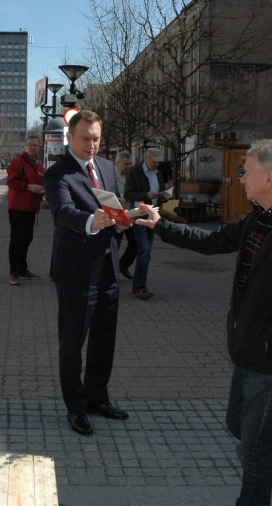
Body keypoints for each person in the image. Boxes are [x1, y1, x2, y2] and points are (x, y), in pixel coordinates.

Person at [135, 139, 272, 506]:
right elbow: (214, 241)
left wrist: (269, 334)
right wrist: (161, 225)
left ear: (269, 177)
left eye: (247, 171)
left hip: (271, 356)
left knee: (255, 447)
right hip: (250, 348)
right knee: (240, 424)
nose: (241, 178)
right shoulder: (262, 216)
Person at [44, 110, 131, 436]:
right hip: (76, 272)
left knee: (104, 340)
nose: (92, 145)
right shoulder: (58, 173)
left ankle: (98, 398)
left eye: (96, 139)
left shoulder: (106, 167)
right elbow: (63, 212)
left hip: (108, 268)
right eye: (85, 139)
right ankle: (76, 408)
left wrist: (123, 221)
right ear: (69, 138)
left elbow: (115, 205)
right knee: (72, 344)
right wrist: (92, 221)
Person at [124, 147, 166, 300]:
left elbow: (160, 189)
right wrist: (146, 195)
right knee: (144, 251)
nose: (156, 164)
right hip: (139, 215)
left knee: (146, 252)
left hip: (153, 215)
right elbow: (128, 194)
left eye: (158, 162)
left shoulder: (158, 173)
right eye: (154, 161)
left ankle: (138, 286)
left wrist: (163, 196)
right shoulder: (135, 172)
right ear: (146, 158)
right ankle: (140, 287)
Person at [6, 136, 45, 285]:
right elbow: (11, 182)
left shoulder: (39, 165)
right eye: (30, 145)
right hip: (18, 206)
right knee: (17, 240)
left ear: (39, 147)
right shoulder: (18, 162)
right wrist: (29, 187)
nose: (32, 148)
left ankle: (22, 269)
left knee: (26, 239)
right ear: (26, 147)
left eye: (35, 145)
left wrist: (43, 190)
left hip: (31, 207)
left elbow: (41, 182)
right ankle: (13, 273)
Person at [114, 151, 137, 280]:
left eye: (130, 163)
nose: (128, 166)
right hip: (116, 215)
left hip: (131, 214)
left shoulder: (133, 175)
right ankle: (110, 270)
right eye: (125, 164)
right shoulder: (111, 174)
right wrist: (126, 197)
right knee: (114, 244)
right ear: (118, 163)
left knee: (135, 243)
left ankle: (123, 266)